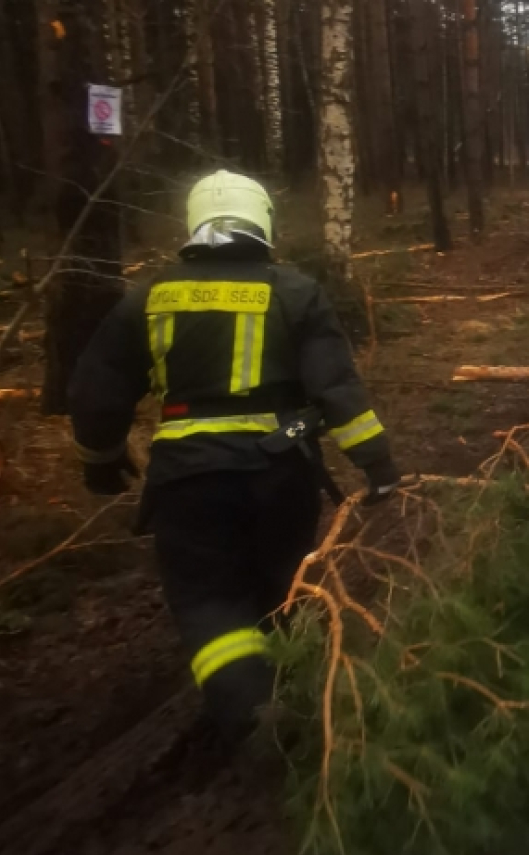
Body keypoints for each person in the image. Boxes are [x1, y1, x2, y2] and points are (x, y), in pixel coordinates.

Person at [69, 170, 401, 741]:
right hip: (282, 469)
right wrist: (377, 465)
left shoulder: (152, 296)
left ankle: (246, 708)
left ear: (194, 224)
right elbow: (336, 388)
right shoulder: (295, 292)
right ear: (263, 222)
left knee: (208, 596)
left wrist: (100, 456)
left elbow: (97, 388)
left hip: (188, 479)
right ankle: (297, 689)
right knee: (282, 581)